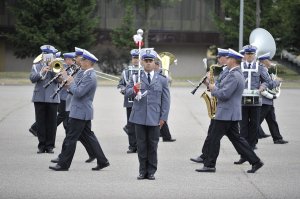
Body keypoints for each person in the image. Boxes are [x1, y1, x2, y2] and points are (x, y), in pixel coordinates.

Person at [196, 49, 264, 173]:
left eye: (227, 58)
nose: (225, 60)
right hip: (230, 113)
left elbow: (224, 94)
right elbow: (222, 88)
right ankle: (256, 161)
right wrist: (208, 83)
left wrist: (212, 88)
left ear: (232, 60)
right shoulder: (234, 74)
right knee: (237, 140)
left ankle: (210, 165)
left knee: (213, 138)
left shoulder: (234, 75)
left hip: (226, 113)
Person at [49, 49, 109, 171]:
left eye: (83, 60)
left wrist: (70, 81)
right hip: (80, 110)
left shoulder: (90, 77)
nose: (80, 61)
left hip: (80, 111)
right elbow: (73, 88)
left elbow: (79, 92)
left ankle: (63, 164)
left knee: (71, 138)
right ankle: (102, 161)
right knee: (90, 137)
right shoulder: (84, 73)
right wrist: (64, 81)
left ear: (88, 62)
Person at [125, 48, 170, 180]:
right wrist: (134, 89)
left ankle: (151, 171)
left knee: (153, 145)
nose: (149, 63)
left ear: (154, 62)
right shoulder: (135, 77)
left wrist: (163, 117)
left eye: (151, 61)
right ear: (142, 62)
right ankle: (142, 171)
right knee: (141, 145)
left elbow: (166, 100)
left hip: (155, 118)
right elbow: (126, 93)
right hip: (138, 117)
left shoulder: (162, 79)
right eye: (146, 61)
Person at [234, 45, 277, 165]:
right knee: (242, 128)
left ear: (254, 55)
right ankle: (244, 155)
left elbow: (268, 81)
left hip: (256, 102)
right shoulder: (239, 67)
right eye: (247, 54)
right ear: (244, 55)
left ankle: (251, 151)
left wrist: (262, 87)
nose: (249, 56)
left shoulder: (260, 67)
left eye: (251, 54)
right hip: (241, 101)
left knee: (253, 127)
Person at [190, 48, 229, 163]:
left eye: (219, 57)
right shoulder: (222, 70)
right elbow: (215, 87)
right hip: (219, 106)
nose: (218, 59)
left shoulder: (228, 72)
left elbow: (221, 88)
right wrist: (207, 82)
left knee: (220, 135)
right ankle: (205, 155)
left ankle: (251, 156)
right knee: (213, 133)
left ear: (225, 58)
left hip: (225, 108)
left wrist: (210, 83)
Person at [29, 45, 60, 153]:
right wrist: (42, 71)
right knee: (40, 122)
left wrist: (52, 69)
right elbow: (32, 79)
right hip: (39, 97)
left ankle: (50, 146)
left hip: (52, 97)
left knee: (52, 123)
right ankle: (41, 145)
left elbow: (59, 80)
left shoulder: (56, 65)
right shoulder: (36, 65)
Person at [257, 53, 288, 144]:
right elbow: (269, 84)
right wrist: (277, 81)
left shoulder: (265, 70)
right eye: (268, 60)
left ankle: (277, 138)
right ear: (264, 61)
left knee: (272, 120)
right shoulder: (262, 69)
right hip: (263, 100)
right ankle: (250, 139)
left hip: (268, 101)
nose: (270, 62)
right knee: (256, 121)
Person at [117, 49, 140, 153]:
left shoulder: (144, 70)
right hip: (130, 101)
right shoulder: (126, 71)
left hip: (141, 102)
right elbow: (120, 84)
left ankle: (140, 146)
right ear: (132, 59)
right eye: (134, 58)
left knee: (140, 125)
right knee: (130, 125)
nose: (136, 60)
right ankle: (132, 146)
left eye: (138, 58)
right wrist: (122, 89)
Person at [154, 60, 176, 142]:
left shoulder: (163, 73)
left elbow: (169, 80)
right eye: (155, 64)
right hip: (156, 100)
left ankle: (166, 136)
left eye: (157, 64)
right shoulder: (150, 73)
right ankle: (166, 136)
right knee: (162, 119)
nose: (156, 66)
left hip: (162, 98)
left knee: (163, 118)